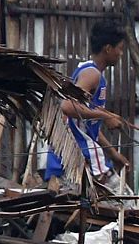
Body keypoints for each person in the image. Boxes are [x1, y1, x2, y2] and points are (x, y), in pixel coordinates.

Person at [45, 19, 130, 191]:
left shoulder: (88, 72)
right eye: (120, 48)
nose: (121, 54)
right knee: (124, 203)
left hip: (72, 154)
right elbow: (68, 107)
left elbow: (87, 126)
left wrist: (112, 153)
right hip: (79, 155)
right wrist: (105, 116)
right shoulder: (92, 75)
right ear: (108, 48)